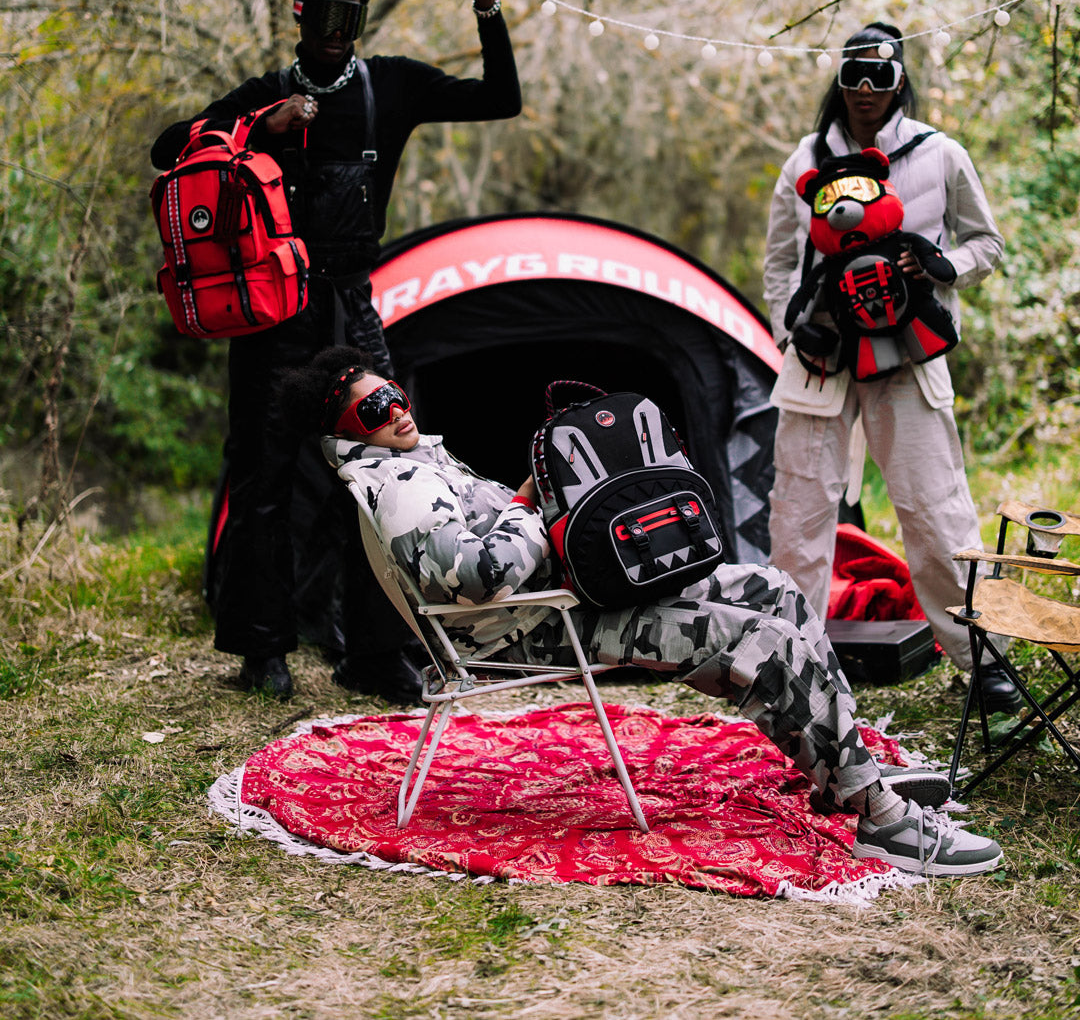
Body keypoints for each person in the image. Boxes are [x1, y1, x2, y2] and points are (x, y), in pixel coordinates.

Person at [276, 343, 1005, 878]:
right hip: (542, 631)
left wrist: (535, 510)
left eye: (395, 395)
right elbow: (474, 577)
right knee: (764, 638)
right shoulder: (398, 485)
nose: (396, 411)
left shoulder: (411, 462)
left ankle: (842, 770)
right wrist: (535, 510)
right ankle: (881, 818)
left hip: (558, 607)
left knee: (773, 591)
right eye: (375, 407)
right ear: (343, 426)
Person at [150, 0, 520, 702]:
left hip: (353, 308)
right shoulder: (259, 95)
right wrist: (259, 129)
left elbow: (499, 99)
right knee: (264, 477)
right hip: (270, 317)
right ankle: (262, 651)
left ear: (361, 19)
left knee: (383, 474)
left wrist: (486, 3)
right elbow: (167, 151)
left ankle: (375, 656)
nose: (333, 29)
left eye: (348, 16)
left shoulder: (392, 88)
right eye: (321, 12)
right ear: (297, 11)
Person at [762, 21, 1017, 712]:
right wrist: (793, 326)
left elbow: (987, 243)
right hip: (822, 359)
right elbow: (781, 262)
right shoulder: (805, 161)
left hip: (909, 353)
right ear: (838, 81)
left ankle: (981, 658)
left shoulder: (940, 155)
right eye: (854, 77)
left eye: (880, 76)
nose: (867, 91)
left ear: (900, 78)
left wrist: (944, 267)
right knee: (800, 516)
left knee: (936, 510)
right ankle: (793, 667)